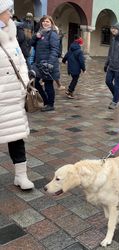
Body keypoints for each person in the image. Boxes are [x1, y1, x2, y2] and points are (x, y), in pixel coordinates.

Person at [0, 0, 34, 190]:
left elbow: (21, 60)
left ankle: (21, 176)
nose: (11, 14)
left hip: (14, 97)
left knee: (16, 136)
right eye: (7, 10)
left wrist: (24, 81)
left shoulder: (12, 32)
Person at [31, 15, 60, 112]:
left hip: (48, 64)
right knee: (34, 82)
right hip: (38, 63)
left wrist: (50, 63)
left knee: (48, 84)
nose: (45, 23)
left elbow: (55, 49)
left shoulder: (53, 34)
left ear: (51, 23)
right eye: (43, 21)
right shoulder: (40, 33)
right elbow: (30, 43)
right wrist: (36, 36)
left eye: (47, 21)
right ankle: (45, 100)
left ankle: (50, 104)